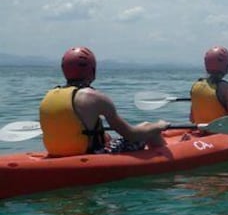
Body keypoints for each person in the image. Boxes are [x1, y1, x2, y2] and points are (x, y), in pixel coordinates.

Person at [39, 47, 169, 157]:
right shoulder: (95, 97)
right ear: (92, 70)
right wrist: (158, 126)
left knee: (105, 135)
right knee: (148, 127)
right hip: (92, 154)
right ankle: (166, 160)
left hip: (59, 153)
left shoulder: (49, 95)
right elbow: (131, 135)